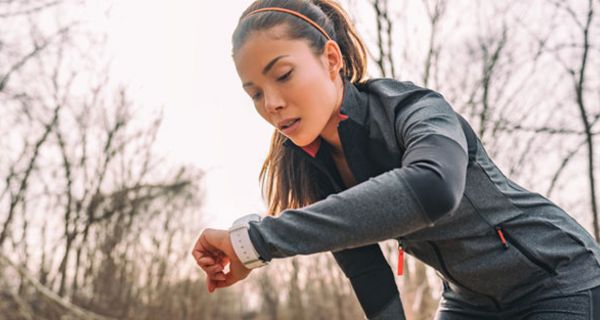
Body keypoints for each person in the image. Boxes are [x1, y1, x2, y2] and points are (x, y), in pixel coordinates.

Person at [191, 0, 600, 319]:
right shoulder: (314, 166)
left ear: (331, 60)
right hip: (469, 302)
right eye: (255, 94)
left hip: (556, 278)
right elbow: (366, 270)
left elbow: (433, 188)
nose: (272, 104)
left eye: (282, 75)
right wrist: (250, 247)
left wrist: (255, 242)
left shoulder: (414, 109)